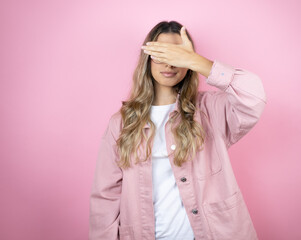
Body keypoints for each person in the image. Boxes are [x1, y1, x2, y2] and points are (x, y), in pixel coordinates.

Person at [89, 20, 267, 240]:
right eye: (161, 54)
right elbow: (105, 197)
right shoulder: (121, 123)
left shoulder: (210, 110)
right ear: (147, 59)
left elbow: (254, 97)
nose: (170, 64)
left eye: (177, 55)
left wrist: (197, 61)